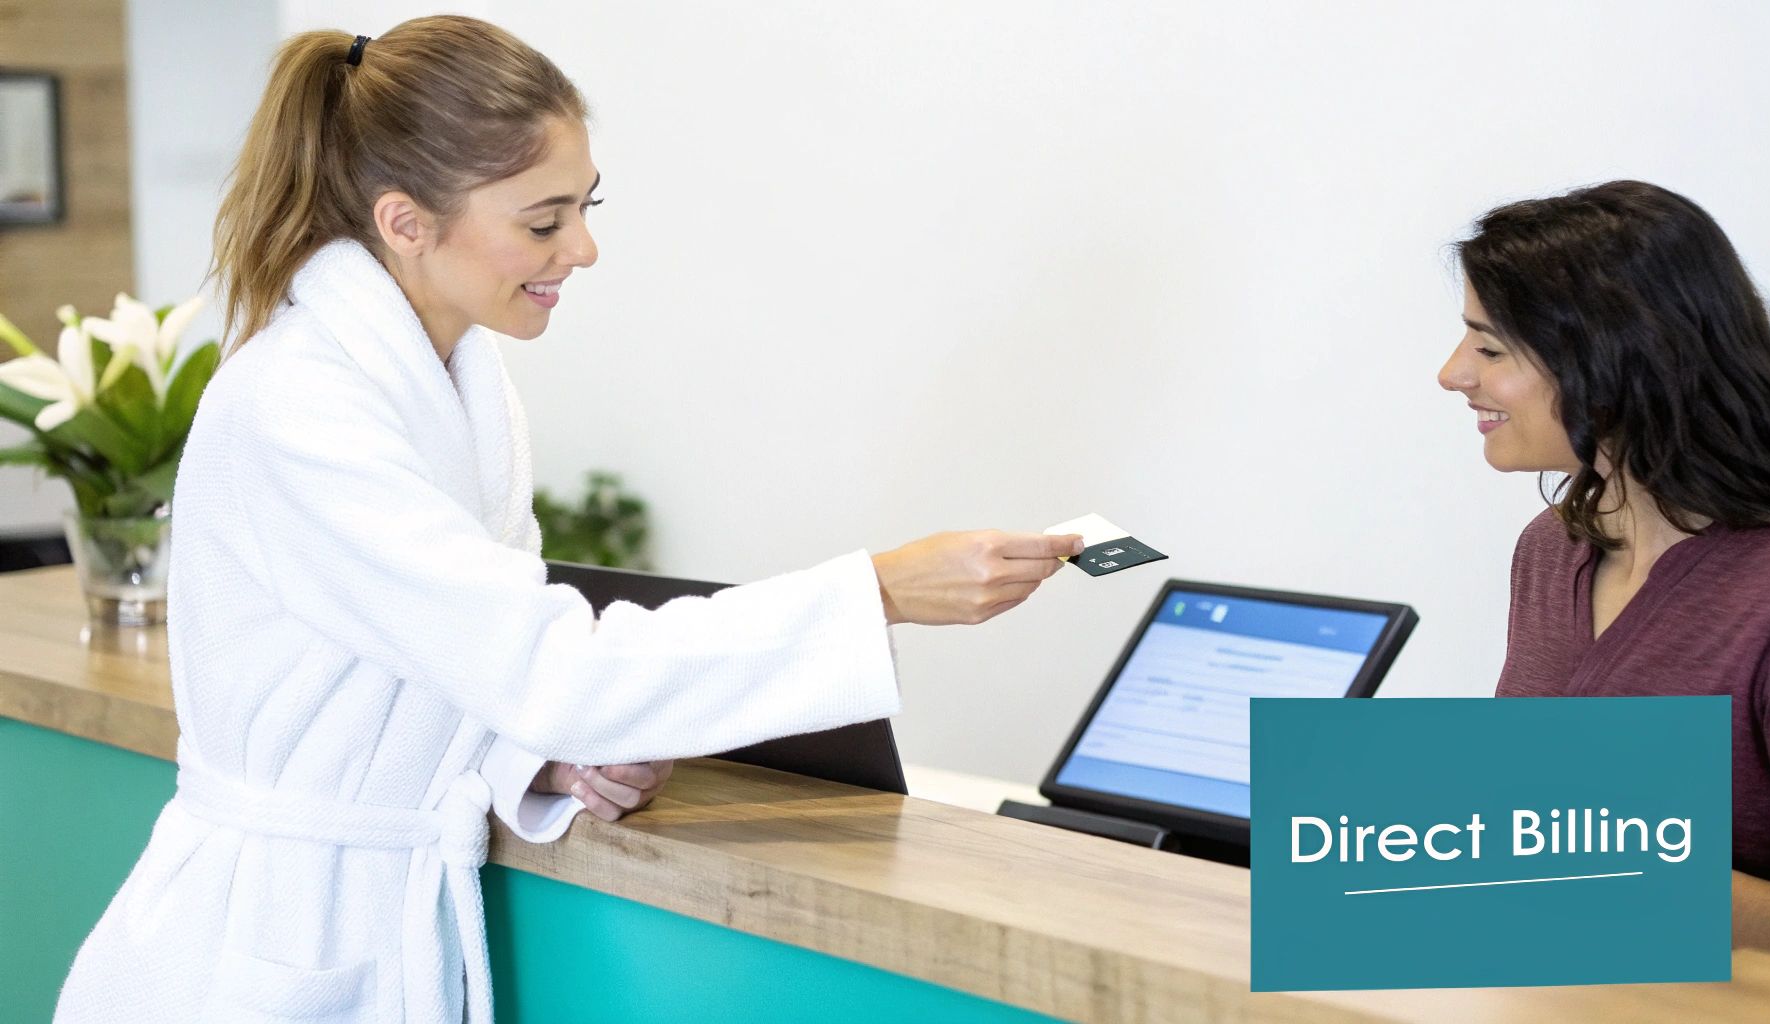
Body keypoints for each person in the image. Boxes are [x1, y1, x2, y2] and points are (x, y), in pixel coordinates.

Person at [53, 17, 1083, 1023]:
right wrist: (883, 589)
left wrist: (532, 758)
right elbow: (551, 665)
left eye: (585, 207)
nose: (582, 248)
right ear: (405, 222)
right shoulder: (299, 410)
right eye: (542, 220)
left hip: (369, 921)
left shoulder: (464, 380)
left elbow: (445, 661)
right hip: (258, 948)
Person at [1437, 180, 1770, 960]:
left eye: (1491, 347)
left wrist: (1587, 861)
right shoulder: (1551, 548)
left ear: (1615, 358)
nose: (1453, 374)